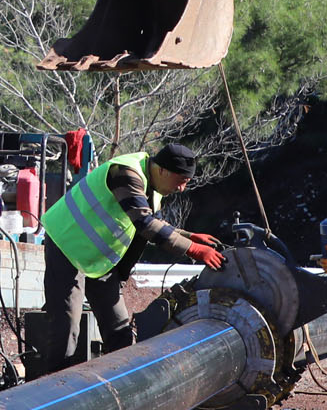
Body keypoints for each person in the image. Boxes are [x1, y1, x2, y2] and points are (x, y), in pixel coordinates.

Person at [32, 141, 226, 376]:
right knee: (66, 324)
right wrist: (193, 249)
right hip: (67, 243)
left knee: (119, 329)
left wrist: (188, 235)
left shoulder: (152, 183)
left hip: (99, 258)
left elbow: (151, 220)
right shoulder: (126, 173)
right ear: (163, 170)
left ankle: (123, 383)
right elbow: (145, 224)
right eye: (181, 180)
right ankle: (54, 388)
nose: (182, 188)